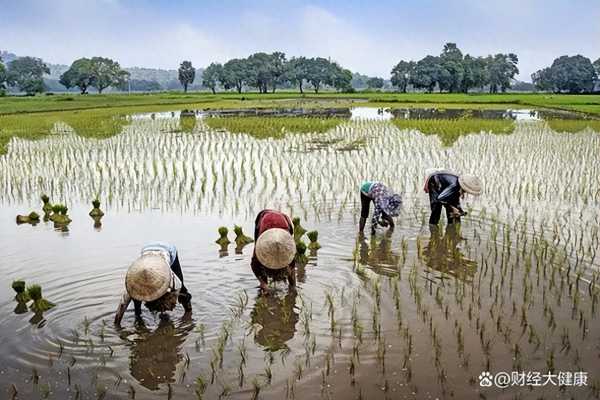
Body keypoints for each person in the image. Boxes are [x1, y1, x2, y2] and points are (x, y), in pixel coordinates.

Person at [114, 242, 192, 325]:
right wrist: (117, 324)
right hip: (147, 252)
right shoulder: (133, 283)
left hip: (168, 250)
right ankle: (138, 317)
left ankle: (188, 312)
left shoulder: (170, 278)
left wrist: (187, 316)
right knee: (136, 298)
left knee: (182, 288)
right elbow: (122, 304)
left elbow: (181, 290)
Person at [251, 209, 297, 294]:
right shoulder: (261, 247)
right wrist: (263, 284)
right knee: (260, 260)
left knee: (290, 266)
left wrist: (293, 288)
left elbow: (292, 268)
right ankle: (265, 285)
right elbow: (254, 266)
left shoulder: (289, 251)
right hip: (263, 219)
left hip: (284, 220)